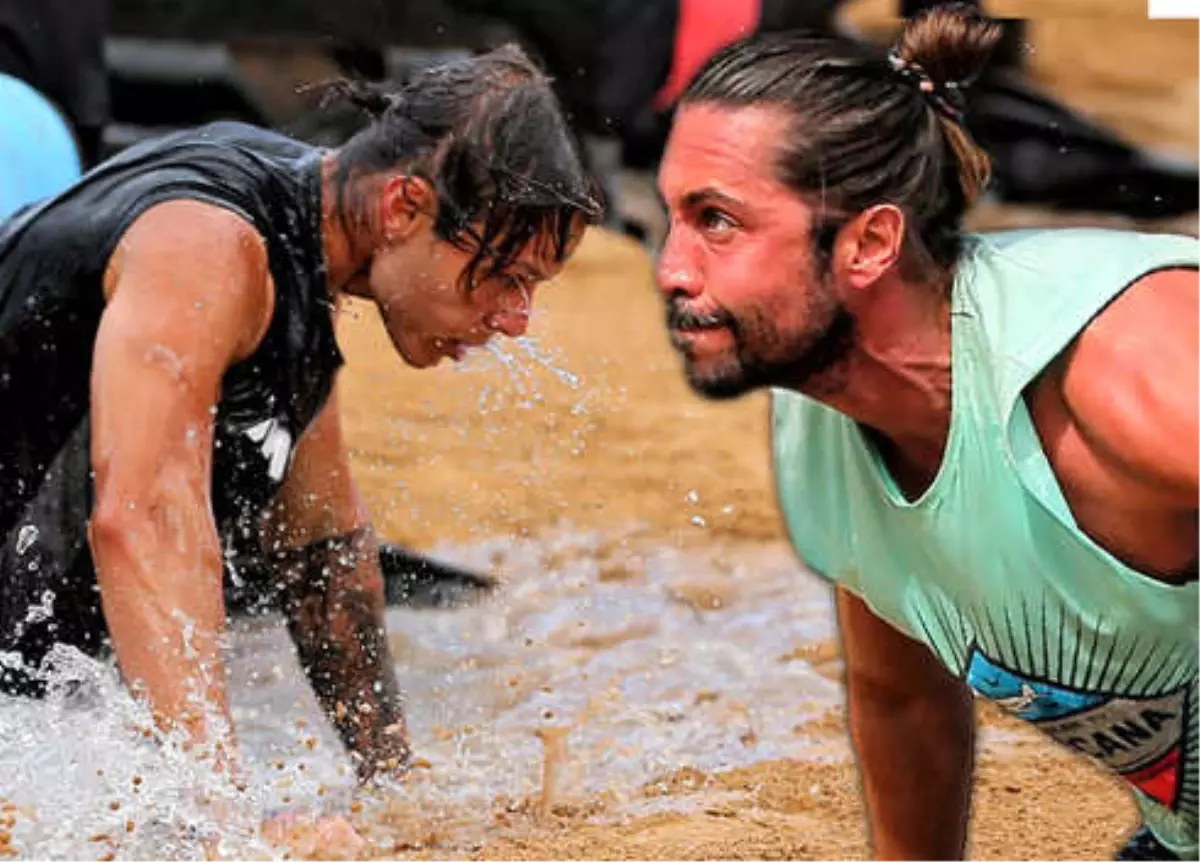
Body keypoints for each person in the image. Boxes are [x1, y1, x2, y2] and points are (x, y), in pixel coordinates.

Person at [0, 41, 602, 813]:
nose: (517, 321)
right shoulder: (207, 245)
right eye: (505, 276)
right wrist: (220, 821)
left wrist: (391, 781)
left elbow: (323, 554)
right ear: (403, 206)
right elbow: (142, 517)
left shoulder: (305, 242)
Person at [654, 5, 1197, 861]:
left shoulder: (1117, 369)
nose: (671, 269)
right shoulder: (826, 424)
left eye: (717, 222)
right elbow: (901, 699)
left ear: (870, 242)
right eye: (674, 219)